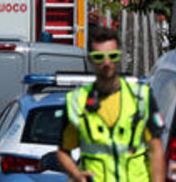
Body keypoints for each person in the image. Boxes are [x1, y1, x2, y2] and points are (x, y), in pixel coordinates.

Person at [57, 25, 165, 182]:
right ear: (90, 59)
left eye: (112, 56)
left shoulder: (141, 97)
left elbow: (156, 150)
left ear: (120, 57)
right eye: (99, 57)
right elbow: (63, 151)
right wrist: (75, 174)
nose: (107, 63)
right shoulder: (76, 101)